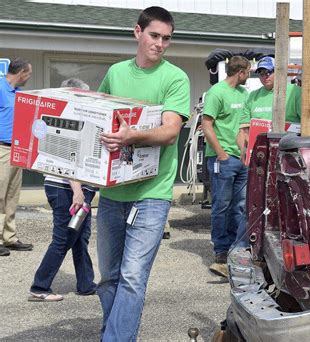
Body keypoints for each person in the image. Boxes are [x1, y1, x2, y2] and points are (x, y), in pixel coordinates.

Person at [96, 7, 190, 341]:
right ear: (138, 32)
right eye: (154, 35)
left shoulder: (175, 78)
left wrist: (132, 135)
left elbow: (169, 133)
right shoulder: (115, 72)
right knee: (108, 278)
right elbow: (100, 120)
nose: (160, 44)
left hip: (151, 195)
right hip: (112, 193)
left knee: (132, 277)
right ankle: (117, 333)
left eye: (167, 38)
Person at [28, 78, 97, 302]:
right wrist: (77, 190)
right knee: (64, 238)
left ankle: (86, 284)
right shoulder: (66, 119)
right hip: (66, 188)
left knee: (80, 237)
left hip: (74, 188)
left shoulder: (70, 117)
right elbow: (66, 159)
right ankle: (39, 287)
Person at [201, 56, 250, 277]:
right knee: (221, 205)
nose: (250, 76)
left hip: (241, 159)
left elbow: (245, 126)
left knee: (239, 206)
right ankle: (221, 250)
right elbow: (206, 125)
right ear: (240, 72)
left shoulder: (244, 94)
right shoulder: (217, 93)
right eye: (248, 72)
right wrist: (221, 153)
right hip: (223, 159)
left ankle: (236, 249)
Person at [0, 58, 33, 257]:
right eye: (28, 73)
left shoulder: (20, 95)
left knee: (12, 195)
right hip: (1, 149)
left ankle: (9, 238)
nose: (29, 78)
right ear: (21, 72)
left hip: (17, 149)